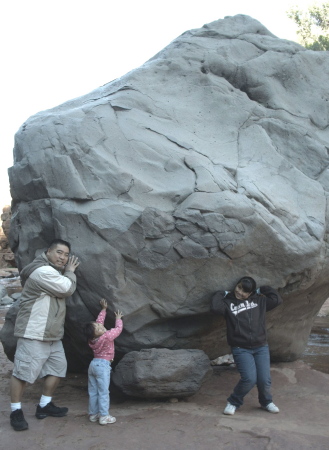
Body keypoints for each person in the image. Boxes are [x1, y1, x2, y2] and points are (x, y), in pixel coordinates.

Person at [9, 239, 80, 431]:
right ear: (48, 252)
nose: (63, 258)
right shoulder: (42, 271)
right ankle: (15, 411)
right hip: (34, 331)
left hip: (51, 334)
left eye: (66, 255)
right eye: (59, 252)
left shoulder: (52, 272)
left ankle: (44, 405)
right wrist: (70, 272)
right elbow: (67, 288)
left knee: (57, 369)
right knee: (23, 373)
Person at [211, 276, 282, 416]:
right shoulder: (229, 303)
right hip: (240, 348)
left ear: (250, 293)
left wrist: (263, 289)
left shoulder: (260, 301)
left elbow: (277, 299)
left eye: (245, 291)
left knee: (264, 380)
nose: (240, 292)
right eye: (239, 288)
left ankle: (266, 402)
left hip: (261, 346)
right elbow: (215, 307)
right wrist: (222, 294)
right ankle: (233, 402)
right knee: (249, 379)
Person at [84, 298, 123, 425]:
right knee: (103, 392)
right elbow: (118, 330)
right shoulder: (107, 336)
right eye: (100, 328)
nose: (102, 326)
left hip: (93, 364)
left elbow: (98, 322)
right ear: (98, 334)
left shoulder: (91, 340)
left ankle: (93, 414)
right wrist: (118, 319)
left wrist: (103, 310)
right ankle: (104, 416)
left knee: (93, 391)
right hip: (103, 365)